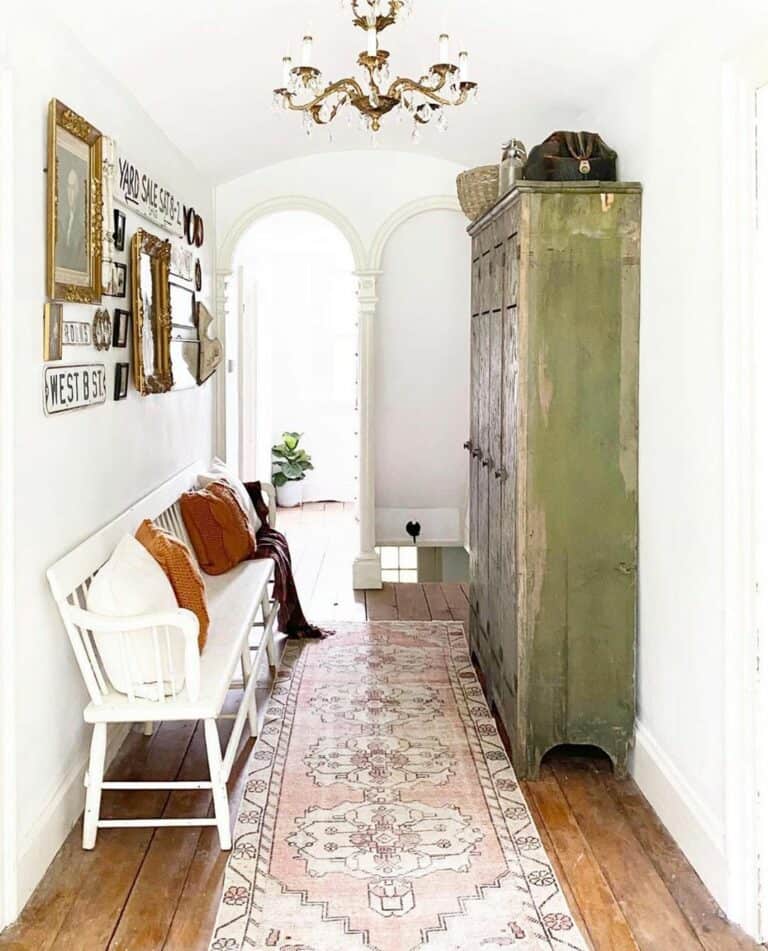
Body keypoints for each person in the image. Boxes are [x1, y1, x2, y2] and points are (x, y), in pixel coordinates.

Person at [56, 159, 87, 272]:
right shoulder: (61, 219)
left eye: (73, 187)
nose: (71, 193)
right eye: (69, 187)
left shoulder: (83, 223)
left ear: (79, 190)